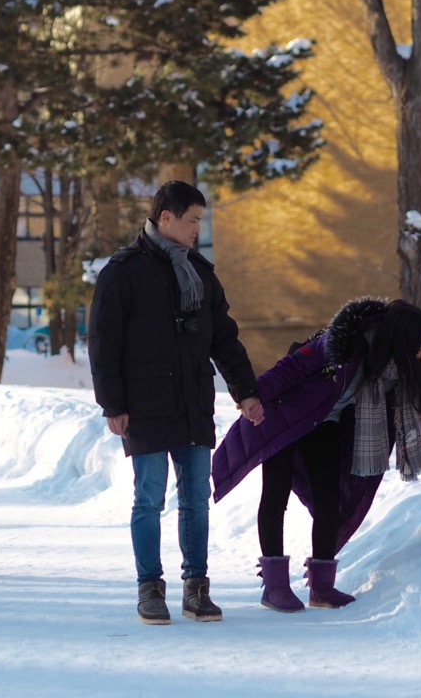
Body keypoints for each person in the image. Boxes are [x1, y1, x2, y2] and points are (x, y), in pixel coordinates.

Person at [211, 297, 421, 613]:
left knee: (329, 502)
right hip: (283, 414)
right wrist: (250, 396)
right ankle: (275, 586)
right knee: (275, 494)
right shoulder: (343, 342)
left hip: (325, 425)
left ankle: (321, 588)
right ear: (401, 338)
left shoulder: (399, 370)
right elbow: (290, 369)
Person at [88, 180, 264, 625]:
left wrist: (245, 390)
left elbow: (224, 337)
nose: (197, 231)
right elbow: (103, 344)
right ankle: (150, 587)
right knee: (149, 498)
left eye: (200, 222)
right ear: (166, 218)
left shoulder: (201, 273)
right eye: (192, 221)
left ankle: (197, 587)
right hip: (144, 405)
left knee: (195, 499)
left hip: (192, 402)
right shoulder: (122, 272)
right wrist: (113, 404)